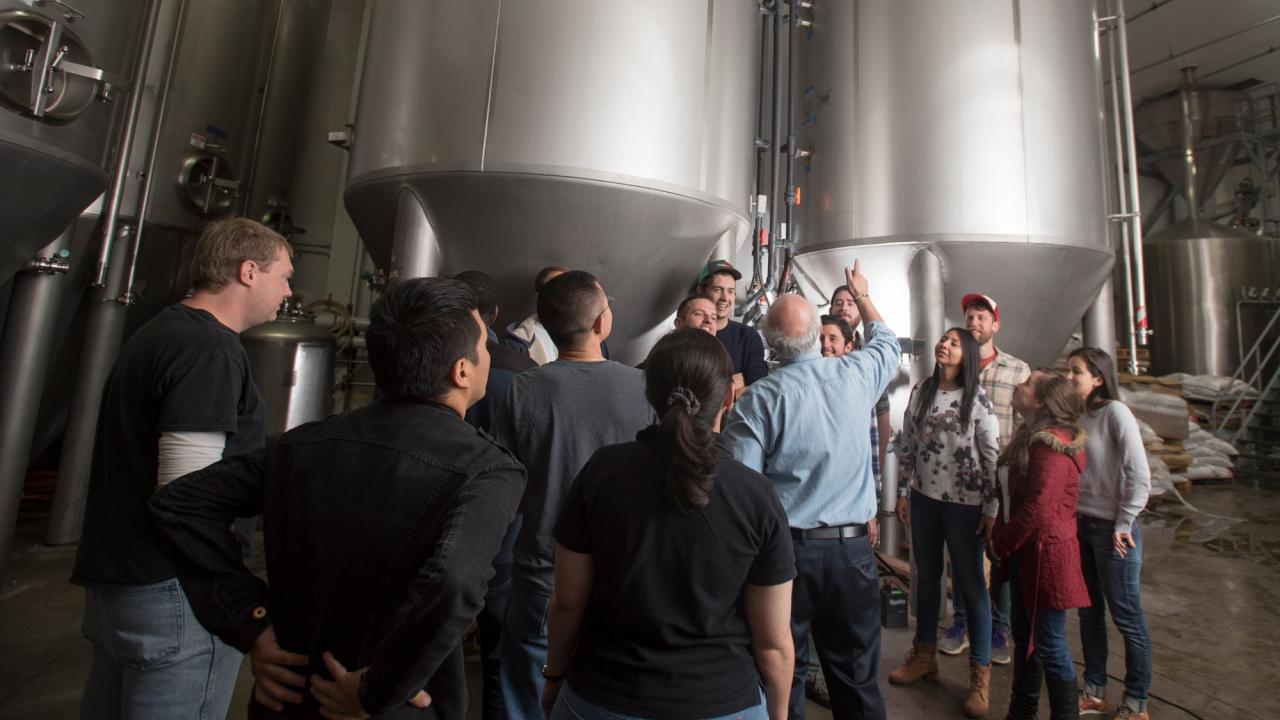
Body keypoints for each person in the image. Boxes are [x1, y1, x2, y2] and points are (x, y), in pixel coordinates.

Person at [149, 277, 527, 719]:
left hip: (288, 696)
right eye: (484, 346)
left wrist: (252, 621)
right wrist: (377, 689)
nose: (489, 357)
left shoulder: (300, 445)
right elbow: (452, 584)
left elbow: (178, 503)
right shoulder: (487, 470)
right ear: (461, 370)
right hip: (389, 706)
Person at [70, 218, 293, 720]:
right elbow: (188, 500)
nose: (288, 291)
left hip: (119, 580)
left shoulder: (161, 330)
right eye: (284, 276)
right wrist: (243, 608)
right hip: (174, 592)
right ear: (249, 271)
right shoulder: (209, 350)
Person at [540, 329, 796, 720]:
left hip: (602, 697)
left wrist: (554, 675)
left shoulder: (601, 473)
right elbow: (774, 643)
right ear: (729, 396)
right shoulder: (756, 495)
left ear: (650, 393)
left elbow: (567, 601)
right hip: (724, 702)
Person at [722, 261, 897, 720]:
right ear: (818, 332)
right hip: (853, 552)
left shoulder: (757, 401)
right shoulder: (858, 374)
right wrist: (860, 296)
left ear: (771, 345)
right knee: (857, 676)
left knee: (782, 668)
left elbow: (743, 490)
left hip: (785, 556)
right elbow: (888, 343)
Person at [492, 270, 657, 720]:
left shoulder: (523, 390)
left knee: (525, 688)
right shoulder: (644, 390)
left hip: (540, 570)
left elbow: (504, 486)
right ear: (603, 324)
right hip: (622, 572)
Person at [889, 328, 1000, 717]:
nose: (944, 345)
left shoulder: (979, 400)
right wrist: (903, 491)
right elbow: (907, 445)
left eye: (953, 343)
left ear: (965, 354)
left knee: (972, 588)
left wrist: (991, 510)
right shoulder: (922, 391)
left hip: (965, 507)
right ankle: (923, 657)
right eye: (943, 341)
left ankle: (979, 676)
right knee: (927, 581)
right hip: (924, 501)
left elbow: (991, 458)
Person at [455, 270, 537, 720]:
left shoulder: (423, 361)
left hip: (433, 535)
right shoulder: (524, 373)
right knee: (501, 665)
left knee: (429, 665)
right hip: (506, 540)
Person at [990, 371, 1091, 720]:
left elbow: (1037, 509)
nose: (1019, 384)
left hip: (1046, 557)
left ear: (1042, 402)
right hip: (1025, 554)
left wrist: (1000, 544)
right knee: (1025, 637)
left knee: (1049, 644)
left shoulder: (1051, 446)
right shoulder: (1029, 437)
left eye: (1028, 383)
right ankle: (1022, 712)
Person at [942, 292, 1032, 665]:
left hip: (1003, 479)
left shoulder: (1017, 370)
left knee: (999, 555)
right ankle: (961, 622)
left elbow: (1027, 426)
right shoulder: (956, 368)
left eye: (981, 317)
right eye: (969, 316)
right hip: (961, 479)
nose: (974, 322)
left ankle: (998, 627)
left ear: (995, 324)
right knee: (964, 555)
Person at [1066, 348, 1153, 720]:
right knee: (1088, 614)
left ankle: (1136, 703)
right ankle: (1095, 690)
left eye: (1076, 372)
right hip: (1080, 525)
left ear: (1098, 378)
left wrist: (1124, 522)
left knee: (1127, 617)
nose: (1069, 378)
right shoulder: (1076, 417)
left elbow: (1139, 475)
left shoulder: (1116, 413)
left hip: (1114, 531)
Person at [829, 286, 892, 486]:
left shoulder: (870, 354)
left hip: (857, 457)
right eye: (838, 303)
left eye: (850, 303)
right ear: (830, 309)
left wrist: (878, 463)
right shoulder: (817, 347)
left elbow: (882, 410)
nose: (844, 308)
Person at [697, 259, 768, 393]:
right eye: (717, 290)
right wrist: (732, 386)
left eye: (730, 291)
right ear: (701, 290)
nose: (725, 298)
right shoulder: (688, 335)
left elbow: (759, 390)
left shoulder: (748, 337)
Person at [505, 265, 568, 364]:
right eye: (556, 288)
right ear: (539, 297)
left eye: (569, 289)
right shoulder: (517, 345)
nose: (565, 294)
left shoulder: (591, 335)